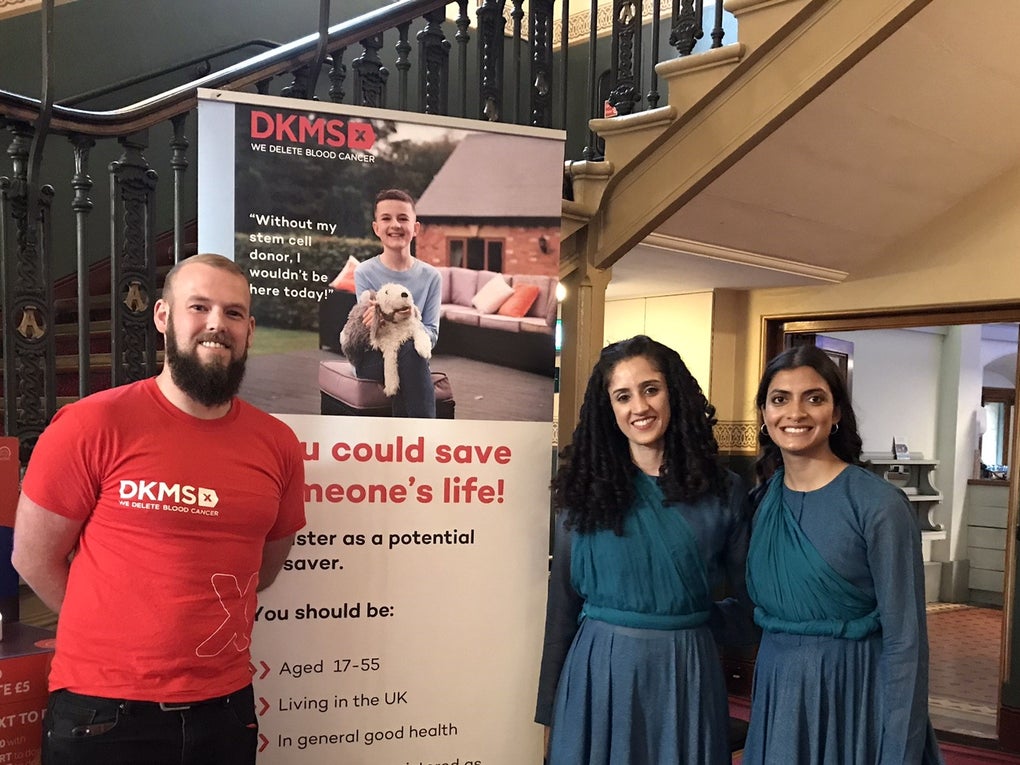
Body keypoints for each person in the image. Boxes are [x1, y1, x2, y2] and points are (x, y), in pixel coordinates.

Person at [12, 253, 307, 765]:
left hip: (226, 710)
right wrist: (117, 633)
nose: (218, 323)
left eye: (234, 313)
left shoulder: (277, 443)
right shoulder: (90, 425)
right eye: (199, 306)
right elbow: (32, 557)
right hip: (102, 715)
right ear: (163, 317)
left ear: (251, 330)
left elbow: (262, 569)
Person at [535, 335, 754, 764]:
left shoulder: (723, 490)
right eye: (623, 396)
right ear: (609, 409)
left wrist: (694, 622)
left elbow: (751, 602)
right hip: (598, 675)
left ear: (674, 393)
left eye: (651, 389)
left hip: (686, 674)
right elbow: (561, 607)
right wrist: (548, 713)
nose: (640, 407)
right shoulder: (582, 491)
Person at [743, 344, 943, 764]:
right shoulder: (760, 501)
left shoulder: (878, 505)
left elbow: (906, 642)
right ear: (764, 413)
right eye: (780, 399)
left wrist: (898, 752)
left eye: (814, 398)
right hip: (778, 693)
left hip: (854, 694)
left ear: (835, 414)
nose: (794, 413)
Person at [352, 188, 442, 418]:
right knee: (411, 355)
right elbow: (368, 334)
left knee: (411, 352)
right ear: (376, 228)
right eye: (386, 218)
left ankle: (404, 442)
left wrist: (409, 320)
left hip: (412, 351)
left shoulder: (432, 277)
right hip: (374, 358)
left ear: (416, 228)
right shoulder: (364, 272)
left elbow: (431, 334)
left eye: (403, 218)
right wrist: (373, 322)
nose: (395, 225)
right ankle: (424, 441)